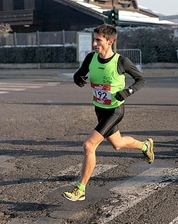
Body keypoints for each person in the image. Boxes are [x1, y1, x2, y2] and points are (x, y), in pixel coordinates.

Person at [63, 24, 154, 201]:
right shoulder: (91, 58)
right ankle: (145, 146)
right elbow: (80, 73)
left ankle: (80, 189)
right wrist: (78, 78)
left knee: (89, 145)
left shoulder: (121, 61)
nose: (94, 44)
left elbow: (141, 80)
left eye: (98, 40)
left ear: (110, 41)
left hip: (115, 110)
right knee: (118, 144)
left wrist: (127, 92)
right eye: (94, 39)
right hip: (100, 109)